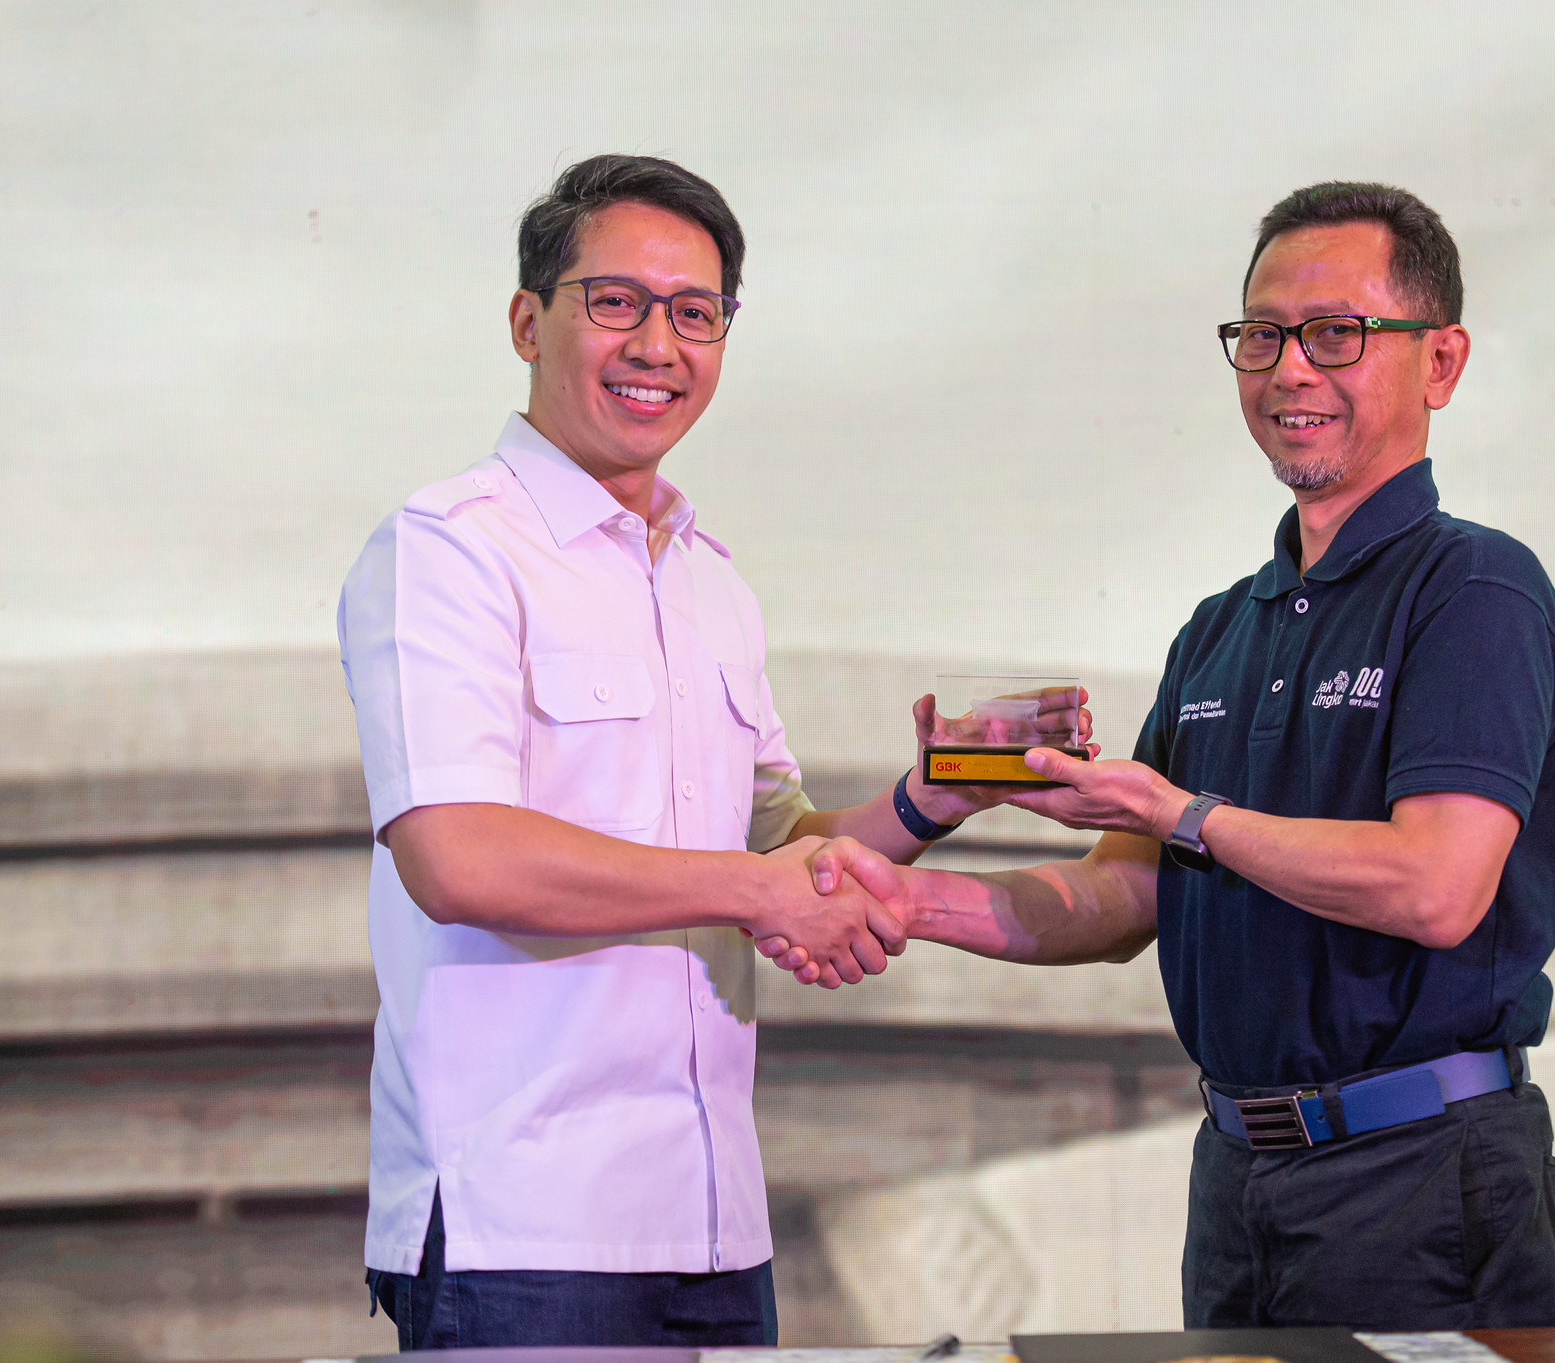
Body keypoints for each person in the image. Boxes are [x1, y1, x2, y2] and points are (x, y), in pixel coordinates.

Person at [782, 182, 1555, 1329]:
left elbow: (1434, 885)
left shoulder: (1474, 592)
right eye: (1261, 335)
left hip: (1420, 1173)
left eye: (1333, 333)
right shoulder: (1218, 632)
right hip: (1237, 1180)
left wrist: (1181, 812)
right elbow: (1120, 898)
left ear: (1439, 362)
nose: (1288, 369)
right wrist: (907, 900)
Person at [337, 153, 1083, 1350]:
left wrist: (933, 794)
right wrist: (759, 889)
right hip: (519, 1225)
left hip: (716, 1223)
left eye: (696, 313)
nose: (657, 345)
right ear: (528, 320)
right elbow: (458, 858)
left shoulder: (712, 585)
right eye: (616, 302)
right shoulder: (448, 549)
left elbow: (781, 843)